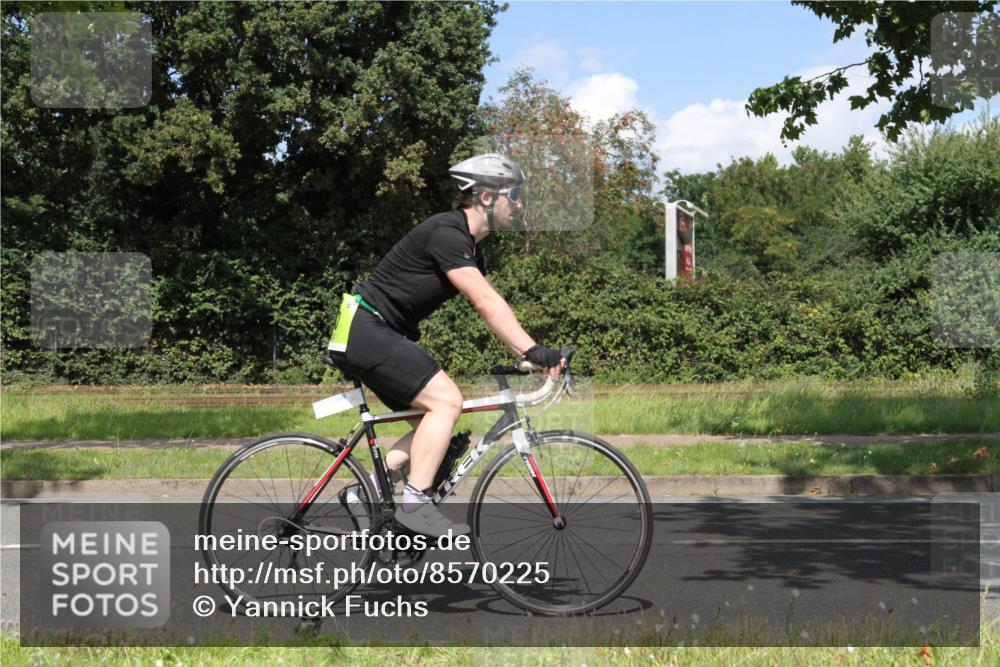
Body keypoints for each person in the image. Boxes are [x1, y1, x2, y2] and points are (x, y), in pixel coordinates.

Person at [329, 153, 564, 538]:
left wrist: (526, 352)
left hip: (370, 330)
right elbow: (484, 302)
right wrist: (531, 350)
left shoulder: (467, 245)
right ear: (487, 197)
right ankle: (415, 506)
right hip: (366, 328)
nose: (519, 203)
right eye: (515, 194)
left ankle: (364, 492)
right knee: (447, 401)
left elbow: (490, 302)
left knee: (433, 431)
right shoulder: (448, 232)